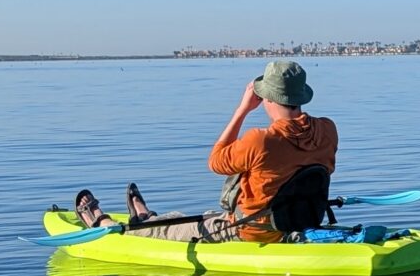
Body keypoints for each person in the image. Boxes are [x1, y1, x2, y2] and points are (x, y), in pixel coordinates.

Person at [99, 59, 341, 243]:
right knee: (204, 216)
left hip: (251, 231)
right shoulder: (328, 129)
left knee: (170, 232)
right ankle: (146, 217)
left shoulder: (261, 140)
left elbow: (215, 162)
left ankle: (105, 224)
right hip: (299, 223)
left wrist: (242, 110)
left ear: (267, 98)